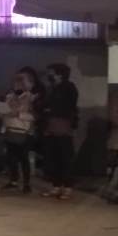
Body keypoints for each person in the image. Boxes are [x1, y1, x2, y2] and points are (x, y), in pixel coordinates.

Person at [41, 63, 79, 200]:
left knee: (65, 158)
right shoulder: (52, 88)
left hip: (63, 127)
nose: (48, 75)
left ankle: (67, 187)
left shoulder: (69, 87)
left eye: (51, 72)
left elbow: (69, 107)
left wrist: (51, 109)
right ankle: (56, 186)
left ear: (59, 74)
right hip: (51, 127)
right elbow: (46, 105)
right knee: (53, 158)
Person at [0, 72, 35, 193]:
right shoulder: (9, 96)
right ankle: (13, 181)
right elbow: (4, 112)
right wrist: (2, 114)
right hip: (10, 130)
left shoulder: (30, 98)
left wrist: (19, 114)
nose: (16, 86)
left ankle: (26, 184)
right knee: (11, 159)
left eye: (19, 84)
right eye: (15, 84)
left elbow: (34, 116)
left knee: (24, 159)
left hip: (23, 132)